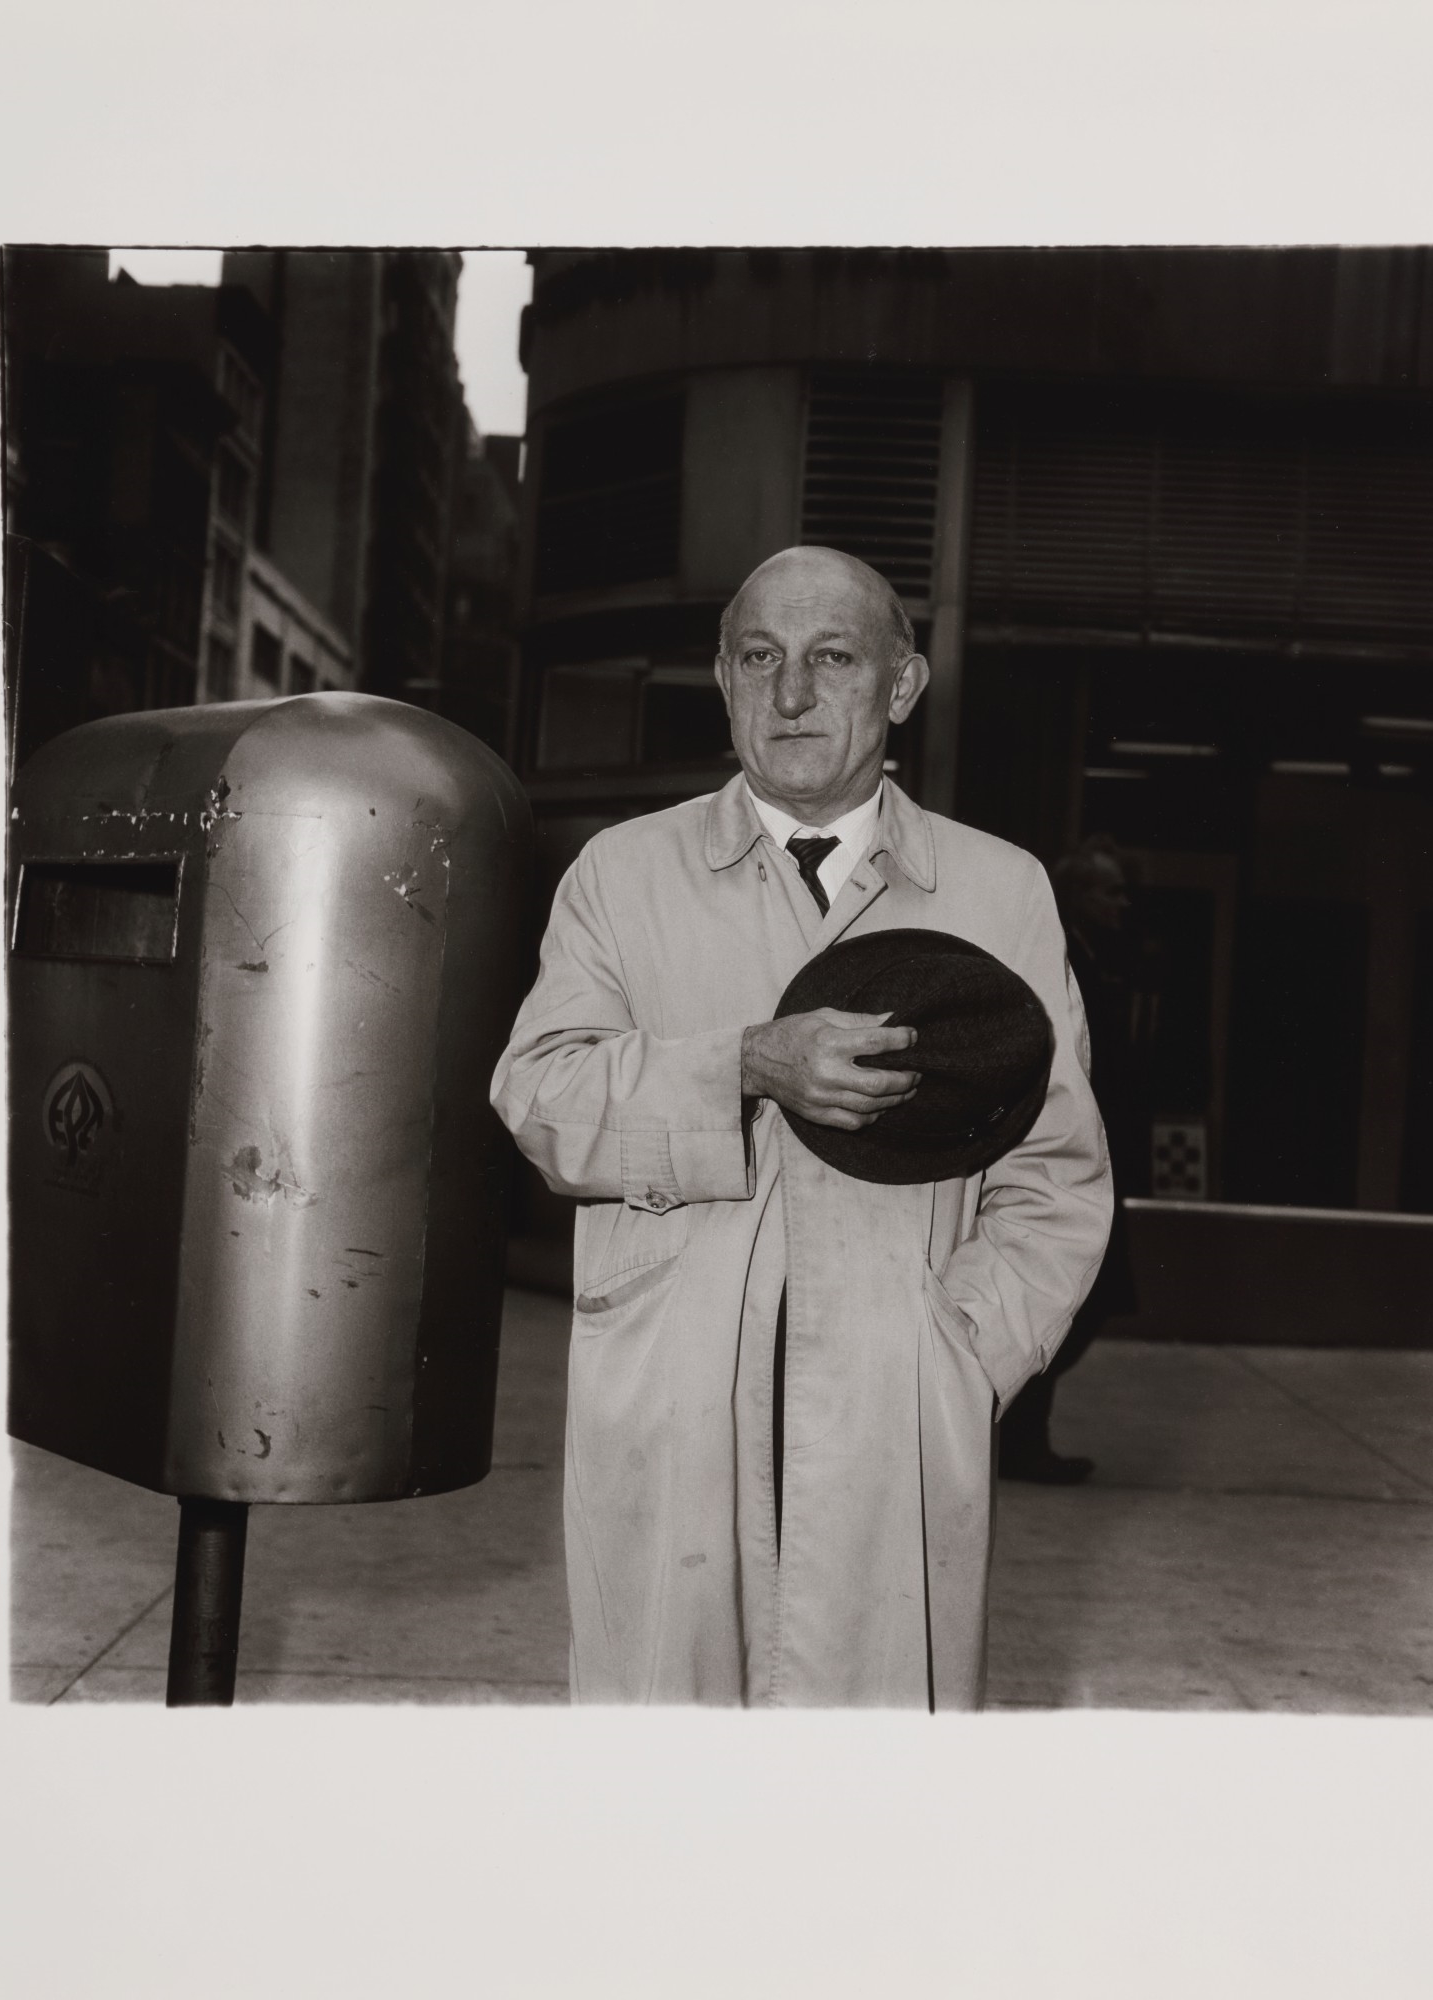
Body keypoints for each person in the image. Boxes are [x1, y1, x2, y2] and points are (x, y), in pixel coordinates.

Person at [490, 546, 1112, 1708]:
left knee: (861, 1776)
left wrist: (961, 1353)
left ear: (901, 686)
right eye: (759, 657)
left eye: (833, 658)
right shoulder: (620, 875)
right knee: (665, 1765)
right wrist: (743, 1062)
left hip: (896, 1407)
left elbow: (1056, 1178)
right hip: (672, 1402)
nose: (790, 694)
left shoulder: (999, 892)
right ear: (722, 678)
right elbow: (539, 1097)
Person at [997, 837, 1151, 1483]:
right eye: (1110, 891)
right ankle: (1017, 1439)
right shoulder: (1064, 959)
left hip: (1096, 1149)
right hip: (1067, 1151)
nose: (1122, 904)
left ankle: (1017, 1436)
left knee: (1087, 1300)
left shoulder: (1101, 958)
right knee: (1072, 1298)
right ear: (1077, 896)